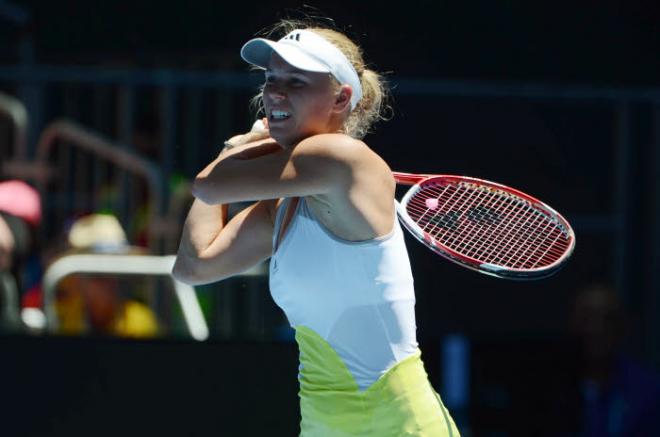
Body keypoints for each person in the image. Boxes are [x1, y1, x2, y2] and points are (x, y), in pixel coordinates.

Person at [173, 19, 460, 436]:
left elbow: (210, 185)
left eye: (296, 81)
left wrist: (242, 147)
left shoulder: (342, 157)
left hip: (400, 424)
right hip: (323, 424)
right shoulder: (284, 206)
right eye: (271, 79)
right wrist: (235, 152)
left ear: (341, 98)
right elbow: (194, 266)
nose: (275, 92)